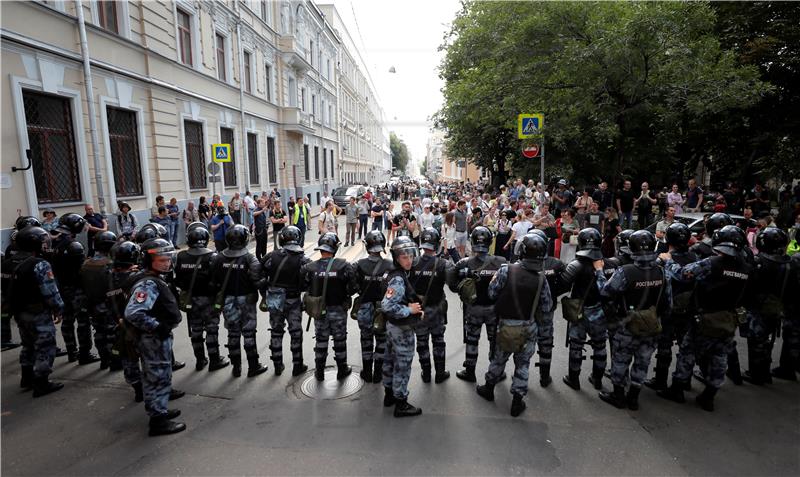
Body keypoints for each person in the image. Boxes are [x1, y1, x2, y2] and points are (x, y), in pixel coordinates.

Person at [658, 225, 752, 411]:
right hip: (728, 319)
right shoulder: (747, 268)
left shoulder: (713, 263)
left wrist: (668, 261)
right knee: (719, 357)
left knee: (688, 352)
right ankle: (709, 394)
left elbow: (683, 274)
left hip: (704, 317)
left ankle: (677, 388)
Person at [476, 234, 553, 417]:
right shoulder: (542, 279)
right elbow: (547, 306)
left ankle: (489, 388)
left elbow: (492, 292)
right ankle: (517, 402)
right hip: (528, 326)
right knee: (523, 364)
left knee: (499, 358)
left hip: (506, 324)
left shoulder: (506, 270)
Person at [595, 230, 670, 411]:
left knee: (620, 360)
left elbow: (605, 292)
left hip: (627, 324)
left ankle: (618, 395)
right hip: (651, 325)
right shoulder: (661, 271)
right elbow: (668, 302)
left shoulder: (625, 271)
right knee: (642, 362)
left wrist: (599, 272)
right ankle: (633, 398)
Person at [124, 237, 186, 436]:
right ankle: (158, 421)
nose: (167, 262)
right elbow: (134, 312)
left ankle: (160, 409)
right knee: (157, 377)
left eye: (168, 258)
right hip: (153, 339)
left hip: (155, 338)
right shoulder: (148, 284)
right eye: (161, 259)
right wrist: (157, 327)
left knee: (158, 376)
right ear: (149, 260)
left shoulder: (153, 277)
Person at [9, 226, 65, 397]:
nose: (45, 244)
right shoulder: (39, 264)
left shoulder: (15, 261)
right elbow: (49, 290)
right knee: (45, 346)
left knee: (28, 345)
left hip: (20, 312)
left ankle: (26, 377)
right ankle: (41, 383)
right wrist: (58, 307)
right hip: (37, 313)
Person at [447, 226, 507, 382]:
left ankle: (470, 371)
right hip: (495, 309)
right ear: (490, 242)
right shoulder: (501, 262)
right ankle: (496, 371)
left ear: (472, 241)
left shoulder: (463, 263)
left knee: (472, 339)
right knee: (495, 340)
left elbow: (452, 284)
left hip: (473, 308)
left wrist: (463, 277)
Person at [210, 225, 268, 378]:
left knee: (232, 333)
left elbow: (213, 281)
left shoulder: (218, 258)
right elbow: (258, 281)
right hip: (247, 301)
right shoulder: (250, 258)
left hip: (228, 300)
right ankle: (253, 366)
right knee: (249, 334)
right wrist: (265, 292)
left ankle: (236, 367)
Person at [645, 223, 697, 391]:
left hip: (668, 309)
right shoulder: (694, 258)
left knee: (664, 346)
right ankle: (684, 380)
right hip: (688, 309)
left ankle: (660, 380)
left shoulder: (663, 259)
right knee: (686, 346)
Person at [302, 233, 357, 381]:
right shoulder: (344, 266)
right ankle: (342, 369)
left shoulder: (310, 267)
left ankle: (319, 372)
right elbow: (353, 288)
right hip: (338, 309)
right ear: (334, 248)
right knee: (340, 340)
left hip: (319, 310)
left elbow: (304, 286)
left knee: (320, 340)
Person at [559, 228, 609, 392]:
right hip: (599, 311)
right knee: (600, 346)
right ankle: (597, 379)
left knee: (576, 346)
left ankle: (574, 379)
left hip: (579, 310)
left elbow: (562, 286)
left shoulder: (576, 265)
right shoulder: (605, 264)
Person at [175, 226, 229, 372]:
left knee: (196, 330)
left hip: (191, 300)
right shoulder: (213, 256)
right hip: (209, 299)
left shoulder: (180, 257)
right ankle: (214, 360)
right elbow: (219, 279)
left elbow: (177, 279)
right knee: (212, 330)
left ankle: (200, 360)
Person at [381, 235, 424, 418]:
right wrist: (410, 309)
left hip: (393, 328)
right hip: (401, 329)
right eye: (404, 257)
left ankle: (389, 395)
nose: (409, 260)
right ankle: (401, 403)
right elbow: (387, 306)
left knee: (390, 360)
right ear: (397, 258)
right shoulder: (398, 279)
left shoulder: (397, 274)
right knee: (403, 364)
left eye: (410, 256)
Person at [742, 228, 792, 384]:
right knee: (767, 342)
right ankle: (764, 372)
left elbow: (749, 285)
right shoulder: (788, 263)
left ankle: (756, 374)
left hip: (758, 307)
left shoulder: (759, 262)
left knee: (756, 341)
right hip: (776, 307)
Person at [48, 213, 98, 364]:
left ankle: (71, 351)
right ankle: (84, 354)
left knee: (67, 321)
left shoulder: (57, 244)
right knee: (82, 322)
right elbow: (82, 271)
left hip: (62, 287)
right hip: (76, 289)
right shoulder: (74, 246)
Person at [261, 226, 311, 376]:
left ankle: (277, 364)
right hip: (293, 300)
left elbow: (259, 276)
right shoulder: (303, 259)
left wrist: (265, 293)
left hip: (275, 299)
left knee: (276, 331)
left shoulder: (270, 256)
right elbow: (308, 280)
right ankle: (298, 365)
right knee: (296, 332)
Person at [410, 228, 453, 384]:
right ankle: (440, 373)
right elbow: (453, 285)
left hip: (418, 310)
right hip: (437, 309)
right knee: (438, 340)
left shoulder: (413, 262)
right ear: (437, 243)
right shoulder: (443, 264)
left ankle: (426, 373)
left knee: (421, 342)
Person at [353, 230, 394, 383]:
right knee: (382, 341)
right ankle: (378, 373)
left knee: (366, 340)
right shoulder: (390, 265)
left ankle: (367, 371)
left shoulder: (359, 265)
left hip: (364, 309)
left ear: (367, 245)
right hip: (382, 311)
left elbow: (353, 286)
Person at [107, 240, 145, 402]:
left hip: (118, 323)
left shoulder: (108, 276)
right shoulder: (138, 278)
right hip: (139, 325)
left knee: (128, 358)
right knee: (149, 357)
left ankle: (137, 388)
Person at [79, 230, 119, 370]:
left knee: (99, 332)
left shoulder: (86, 263)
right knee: (112, 334)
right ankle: (114, 361)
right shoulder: (110, 264)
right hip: (107, 304)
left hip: (92, 303)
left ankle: (104, 360)